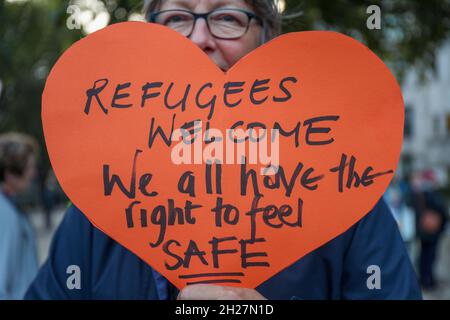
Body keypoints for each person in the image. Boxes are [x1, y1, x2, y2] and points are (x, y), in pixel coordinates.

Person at [25, 0, 422, 300]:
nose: (200, 39)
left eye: (228, 17)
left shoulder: (345, 191)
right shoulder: (100, 202)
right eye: (176, 18)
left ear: (267, 42)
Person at [0, 132, 39, 299]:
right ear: (10, 173)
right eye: (30, 167)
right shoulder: (5, 214)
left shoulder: (11, 207)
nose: (34, 174)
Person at [410, 170, 448, 290]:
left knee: (424, 255)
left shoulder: (418, 194)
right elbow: (441, 211)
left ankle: (425, 279)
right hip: (431, 231)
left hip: (424, 231)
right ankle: (427, 280)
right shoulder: (431, 194)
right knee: (429, 256)